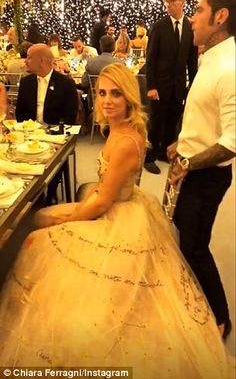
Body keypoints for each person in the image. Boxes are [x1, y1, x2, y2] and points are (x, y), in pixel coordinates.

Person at [0, 63, 233, 378]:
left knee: (39, 236)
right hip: (117, 203)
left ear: (129, 100)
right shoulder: (122, 130)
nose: (107, 101)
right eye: (102, 93)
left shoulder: (124, 141)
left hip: (115, 213)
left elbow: (102, 202)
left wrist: (60, 218)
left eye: (116, 94)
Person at [167, 0, 236, 340]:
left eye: (199, 10)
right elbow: (206, 115)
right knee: (185, 237)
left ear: (221, 16)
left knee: (195, 246)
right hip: (191, 166)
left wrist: (189, 163)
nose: (192, 18)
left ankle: (220, 321)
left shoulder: (230, 67)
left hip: (206, 177)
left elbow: (232, 141)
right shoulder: (211, 57)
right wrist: (183, 144)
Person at [145, 0, 198, 174]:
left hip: (178, 88)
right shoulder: (159, 27)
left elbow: (192, 62)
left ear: (182, 3)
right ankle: (148, 157)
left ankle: (163, 153)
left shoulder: (191, 28)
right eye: (166, 1)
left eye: (172, 1)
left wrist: (193, 87)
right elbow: (150, 59)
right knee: (156, 123)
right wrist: (151, 86)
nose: (168, 4)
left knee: (172, 122)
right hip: (159, 87)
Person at [15, 43, 78, 125]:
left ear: (41, 61)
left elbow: (70, 116)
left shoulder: (65, 83)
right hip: (29, 133)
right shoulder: (26, 82)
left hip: (54, 134)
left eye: (29, 57)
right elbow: (19, 112)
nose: (25, 61)